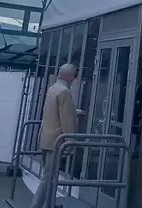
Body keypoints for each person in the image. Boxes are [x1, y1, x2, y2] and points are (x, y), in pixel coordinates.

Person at [31, 63, 79, 208]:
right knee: (48, 177)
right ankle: (36, 205)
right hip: (57, 140)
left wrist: (73, 111)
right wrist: (70, 141)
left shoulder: (53, 89)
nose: (75, 78)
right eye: (75, 75)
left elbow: (53, 113)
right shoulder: (64, 92)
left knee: (50, 176)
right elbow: (66, 120)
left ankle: (49, 204)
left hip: (46, 138)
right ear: (69, 75)